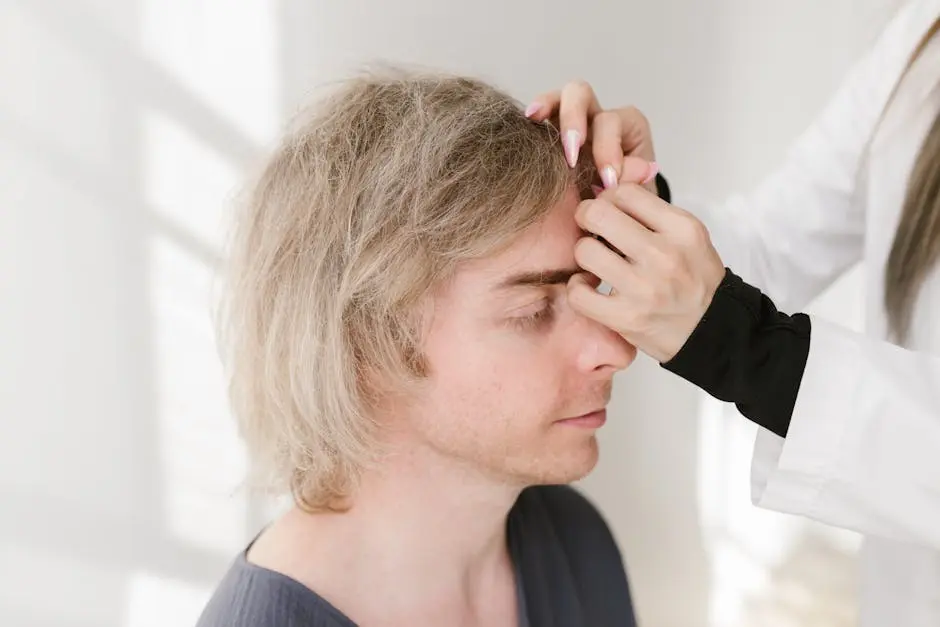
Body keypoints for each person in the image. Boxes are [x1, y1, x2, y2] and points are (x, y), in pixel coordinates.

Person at [527, 0, 940, 625]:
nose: (612, 358)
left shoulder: (579, 558)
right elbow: (773, 244)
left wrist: (753, 353)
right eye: (529, 309)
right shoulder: (921, 42)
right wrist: (639, 209)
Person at [196, 69, 640, 627]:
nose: (616, 350)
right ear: (369, 347)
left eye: (592, 287)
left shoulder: (574, 542)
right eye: (531, 312)